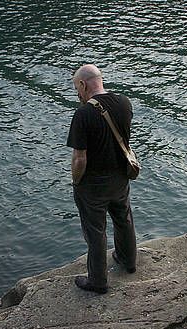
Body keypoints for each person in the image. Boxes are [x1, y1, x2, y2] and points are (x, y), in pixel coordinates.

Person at [67, 64, 137, 294]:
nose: (77, 93)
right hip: (120, 178)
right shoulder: (124, 103)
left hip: (93, 184)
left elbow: (79, 159)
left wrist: (76, 182)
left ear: (83, 84)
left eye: (76, 87)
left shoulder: (83, 114)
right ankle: (128, 260)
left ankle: (98, 281)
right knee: (123, 218)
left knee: (95, 231)